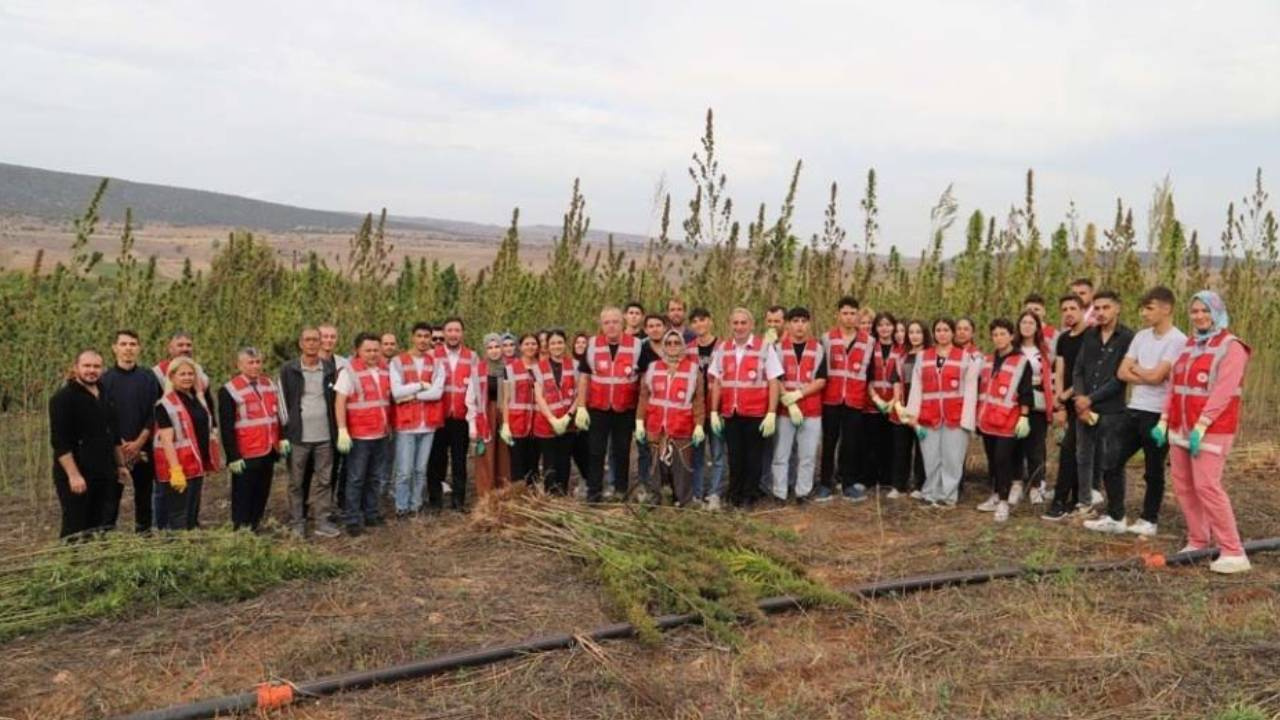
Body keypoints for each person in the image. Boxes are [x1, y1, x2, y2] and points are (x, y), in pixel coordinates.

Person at [1154, 291, 1251, 573]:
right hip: (1181, 427)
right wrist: (1163, 419)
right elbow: (1175, 386)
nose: (1198, 316)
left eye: (1204, 310)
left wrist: (1203, 424)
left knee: (1207, 486)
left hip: (1212, 430)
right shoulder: (1189, 345)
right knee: (1184, 485)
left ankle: (1233, 549)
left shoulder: (1232, 347)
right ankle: (1198, 540)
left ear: (1216, 311)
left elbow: (1224, 390)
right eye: (1194, 311)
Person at [1085, 287, 1186, 535]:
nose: (1144, 313)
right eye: (1142, 308)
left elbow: (1156, 376)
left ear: (1167, 309)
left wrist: (1141, 371)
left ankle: (1148, 519)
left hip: (1158, 414)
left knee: (1153, 469)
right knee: (1111, 460)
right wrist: (1147, 373)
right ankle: (1116, 516)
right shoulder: (1141, 336)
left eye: (1149, 308)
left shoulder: (1178, 340)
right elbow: (1122, 372)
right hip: (1134, 409)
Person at [50, 350, 130, 538]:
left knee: (102, 523)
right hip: (78, 474)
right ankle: (71, 564)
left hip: (104, 471)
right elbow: (60, 442)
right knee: (76, 526)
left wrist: (120, 465)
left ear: (102, 369)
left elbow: (114, 435)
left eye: (96, 366)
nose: (91, 370)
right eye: (87, 366)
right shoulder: (63, 399)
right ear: (76, 367)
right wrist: (74, 475)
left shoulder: (105, 395)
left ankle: (95, 563)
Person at [708, 308, 782, 508]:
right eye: (735, 323)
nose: (739, 327)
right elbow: (717, 381)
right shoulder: (723, 348)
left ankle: (750, 494)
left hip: (756, 412)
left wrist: (771, 413)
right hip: (731, 413)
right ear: (730, 324)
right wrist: (714, 411)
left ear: (751, 325)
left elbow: (774, 381)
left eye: (743, 323)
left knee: (753, 456)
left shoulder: (764, 347)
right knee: (735, 454)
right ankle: (735, 492)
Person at [901, 317, 978, 508]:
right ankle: (930, 493)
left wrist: (967, 420)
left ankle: (948, 496)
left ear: (952, 333)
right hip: (929, 415)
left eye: (946, 330)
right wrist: (912, 415)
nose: (942, 333)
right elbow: (917, 387)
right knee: (931, 456)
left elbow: (970, 390)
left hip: (955, 416)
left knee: (952, 458)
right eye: (938, 330)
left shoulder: (965, 357)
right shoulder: (923, 356)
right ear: (934, 333)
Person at [1072, 290, 1134, 523]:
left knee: (1111, 460)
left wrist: (1092, 398)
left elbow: (1120, 378)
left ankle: (1116, 509)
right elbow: (1078, 369)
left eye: (1106, 307)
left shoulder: (1127, 338)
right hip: (1084, 407)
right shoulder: (1089, 335)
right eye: (1096, 308)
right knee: (1083, 455)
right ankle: (1085, 501)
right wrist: (1080, 398)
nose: (1100, 313)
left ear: (1117, 308)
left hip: (1111, 409)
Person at [577, 306, 643, 503]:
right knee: (596, 451)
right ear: (601, 325)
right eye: (607, 322)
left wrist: (640, 414)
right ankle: (594, 492)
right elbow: (584, 377)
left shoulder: (637, 345)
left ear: (622, 322)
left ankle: (621, 491)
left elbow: (644, 379)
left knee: (622, 451)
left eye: (615, 322)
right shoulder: (593, 344)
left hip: (625, 408)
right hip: (599, 408)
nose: (611, 326)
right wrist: (581, 406)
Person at [218, 347, 289, 531]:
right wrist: (232, 456)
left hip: (268, 448)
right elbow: (227, 427)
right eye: (250, 362)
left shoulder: (269, 384)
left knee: (262, 492)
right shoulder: (230, 390)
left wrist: (282, 437)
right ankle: (241, 529)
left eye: (258, 362)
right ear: (239, 365)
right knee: (243, 494)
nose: (255, 366)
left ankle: (255, 525)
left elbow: (277, 415)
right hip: (246, 452)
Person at [279, 326, 340, 538]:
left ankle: (322, 520)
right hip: (298, 437)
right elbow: (282, 403)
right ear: (301, 343)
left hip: (325, 436)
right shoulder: (289, 369)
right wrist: (284, 434)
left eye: (316, 340)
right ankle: (297, 522)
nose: (312, 343)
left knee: (324, 480)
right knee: (296, 482)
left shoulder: (329, 369)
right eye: (308, 340)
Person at [100, 330, 163, 532]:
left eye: (133, 344)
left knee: (144, 496)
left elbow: (156, 410)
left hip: (143, 447)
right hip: (114, 450)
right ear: (115, 348)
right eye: (124, 344)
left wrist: (139, 442)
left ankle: (144, 536)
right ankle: (107, 538)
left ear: (139, 348)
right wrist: (120, 446)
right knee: (111, 497)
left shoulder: (149, 377)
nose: (128, 348)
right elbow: (103, 416)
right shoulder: (104, 380)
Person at [636, 329, 707, 506]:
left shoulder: (693, 371)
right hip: (656, 426)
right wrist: (639, 422)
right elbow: (644, 398)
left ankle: (684, 501)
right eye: (669, 343)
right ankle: (654, 498)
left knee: (682, 467)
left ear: (682, 345)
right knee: (655, 467)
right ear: (664, 346)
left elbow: (698, 400)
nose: (673, 346)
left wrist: (699, 424)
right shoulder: (652, 368)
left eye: (676, 343)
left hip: (682, 426)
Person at [975, 319, 1034, 523]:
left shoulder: (1021, 361)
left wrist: (1024, 417)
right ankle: (995, 494)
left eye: (1003, 334)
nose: (999, 338)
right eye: (995, 334)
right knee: (992, 460)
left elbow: (1026, 392)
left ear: (1011, 335)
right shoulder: (987, 360)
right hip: (987, 420)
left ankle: (1003, 502)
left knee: (1003, 460)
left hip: (1008, 420)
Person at [153, 356, 220, 531]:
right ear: (172, 377)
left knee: (192, 512)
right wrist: (175, 470)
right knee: (178, 515)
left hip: (195, 463)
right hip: (179, 467)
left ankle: (189, 546)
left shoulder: (195, 398)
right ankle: (176, 550)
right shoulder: (165, 405)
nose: (187, 377)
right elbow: (167, 441)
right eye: (182, 374)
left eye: (191, 374)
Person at [817, 296, 874, 502]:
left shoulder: (869, 342)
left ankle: (847, 483)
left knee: (850, 444)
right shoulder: (827, 338)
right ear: (838, 315)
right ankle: (825, 483)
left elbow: (871, 374)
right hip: (831, 399)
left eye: (852, 313)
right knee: (829, 442)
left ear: (858, 315)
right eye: (845, 313)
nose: (849, 317)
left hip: (854, 400)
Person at [334, 333, 391, 535]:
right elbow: (340, 401)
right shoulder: (349, 372)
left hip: (381, 434)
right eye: (368, 350)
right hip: (359, 436)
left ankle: (371, 514)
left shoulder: (384, 370)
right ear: (358, 350)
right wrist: (342, 430)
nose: (373, 354)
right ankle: (352, 519)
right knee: (356, 478)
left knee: (375, 477)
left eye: (376, 350)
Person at [1042, 295, 1093, 521]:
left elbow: (1088, 374)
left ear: (1083, 310)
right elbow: (1060, 371)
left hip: (1085, 401)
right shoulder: (1063, 338)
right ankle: (1069, 500)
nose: (1068, 312)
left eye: (1073, 308)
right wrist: (1059, 401)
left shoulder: (1091, 337)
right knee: (1069, 450)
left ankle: (1062, 502)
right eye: (1064, 309)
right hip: (1067, 402)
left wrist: (1069, 393)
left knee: (1073, 452)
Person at [389, 322, 446, 517]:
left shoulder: (437, 363)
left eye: (426, 337)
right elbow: (396, 392)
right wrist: (421, 385)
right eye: (419, 336)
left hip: (428, 424)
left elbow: (437, 393)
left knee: (421, 469)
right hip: (406, 424)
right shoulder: (398, 361)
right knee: (404, 471)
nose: (423, 340)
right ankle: (401, 507)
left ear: (431, 339)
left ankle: (416, 504)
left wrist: (411, 395)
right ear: (412, 337)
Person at [772, 307, 826, 502]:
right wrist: (788, 399)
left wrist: (798, 394)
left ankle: (802, 492)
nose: (799, 325)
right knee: (781, 454)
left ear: (809, 324)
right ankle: (779, 492)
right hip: (785, 411)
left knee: (808, 455)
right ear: (788, 324)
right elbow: (775, 377)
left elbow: (821, 380)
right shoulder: (779, 348)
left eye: (803, 321)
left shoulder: (818, 348)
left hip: (811, 410)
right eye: (795, 321)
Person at [428, 318, 480, 512]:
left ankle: (458, 502)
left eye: (457, 330)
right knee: (436, 460)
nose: (453, 334)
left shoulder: (472, 356)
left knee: (460, 460)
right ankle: (435, 501)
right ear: (444, 333)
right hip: (438, 416)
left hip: (461, 417)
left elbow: (476, 386)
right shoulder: (433, 355)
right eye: (449, 330)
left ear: (462, 333)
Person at [1012, 310, 1054, 506]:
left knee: (1036, 446)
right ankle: (1016, 483)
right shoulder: (1013, 348)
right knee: (1015, 445)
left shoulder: (1044, 350)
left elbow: (1050, 377)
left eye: (1031, 323)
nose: (1027, 326)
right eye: (1024, 322)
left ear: (1037, 327)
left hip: (1038, 402)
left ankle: (1036, 485)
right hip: (1015, 402)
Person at [531, 330, 579, 495]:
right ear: (547, 347)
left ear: (565, 344)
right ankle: (550, 496)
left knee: (564, 461)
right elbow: (538, 396)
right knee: (549, 462)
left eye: (560, 342)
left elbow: (580, 394)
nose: (557, 346)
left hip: (568, 423)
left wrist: (568, 417)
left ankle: (562, 494)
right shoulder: (538, 367)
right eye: (553, 343)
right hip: (546, 423)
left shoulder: (575, 365)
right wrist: (552, 419)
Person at [688, 307, 726, 508]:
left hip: (718, 408)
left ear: (710, 321)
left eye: (703, 320)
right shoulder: (688, 349)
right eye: (694, 321)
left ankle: (715, 494)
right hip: (697, 411)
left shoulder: (723, 347)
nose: (699, 325)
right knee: (697, 454)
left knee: (718, 453)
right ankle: (696, 492)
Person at [863, 311, 902, 492]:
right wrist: (876, 398)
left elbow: (901, 379)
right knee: (871, 442)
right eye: (880, 325)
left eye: (888, 324)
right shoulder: (870, 348)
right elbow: (866, 377)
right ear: (875, 328)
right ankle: (870, 479)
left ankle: (888, 479)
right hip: (873, 403)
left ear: (894, 327)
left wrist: (893, 401)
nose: (884, 328)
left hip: (894, 405)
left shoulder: (901, 349)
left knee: (891, 444)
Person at [891, 320, 929, 497]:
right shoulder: (902, 357)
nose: (914, 336)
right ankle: (899, 485)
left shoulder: (930, 355)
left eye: (918, 332)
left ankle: (919, 486)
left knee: (922, 449)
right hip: (904, 409)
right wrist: (898, 404)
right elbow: (896, 380)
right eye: (911, 332)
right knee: (900, 448)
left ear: (925, 335)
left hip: (923, 409)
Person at [474, 333, 512, 497]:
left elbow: (509, 394)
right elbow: (472, 396)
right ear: (485, 350)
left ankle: (503, 491)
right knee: (486, 453)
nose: (494, 351)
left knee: (504, 454)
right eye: (490, 347)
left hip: (504, 411)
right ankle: (486, 495)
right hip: (485, 412)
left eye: (497, 346)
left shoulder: (507, 369)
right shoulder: (478, 369)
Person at [502, 334, 542, 484]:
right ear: (520, 347)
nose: (530, 347)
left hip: (537, 424)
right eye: (527, 344)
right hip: (516, 423)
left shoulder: (543, 367)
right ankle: (518, 498)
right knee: (517, 465)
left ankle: (533, 498)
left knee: (534, 464)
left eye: (533, 343)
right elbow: (505, 399)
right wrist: (505, 424)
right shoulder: (510, 369)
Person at [151, 331, 212, 400]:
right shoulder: (158, 374)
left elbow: (208, 406)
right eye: (180, 345)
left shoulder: (200, 374)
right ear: (170, 349)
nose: (185, 349)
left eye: (188, 345)